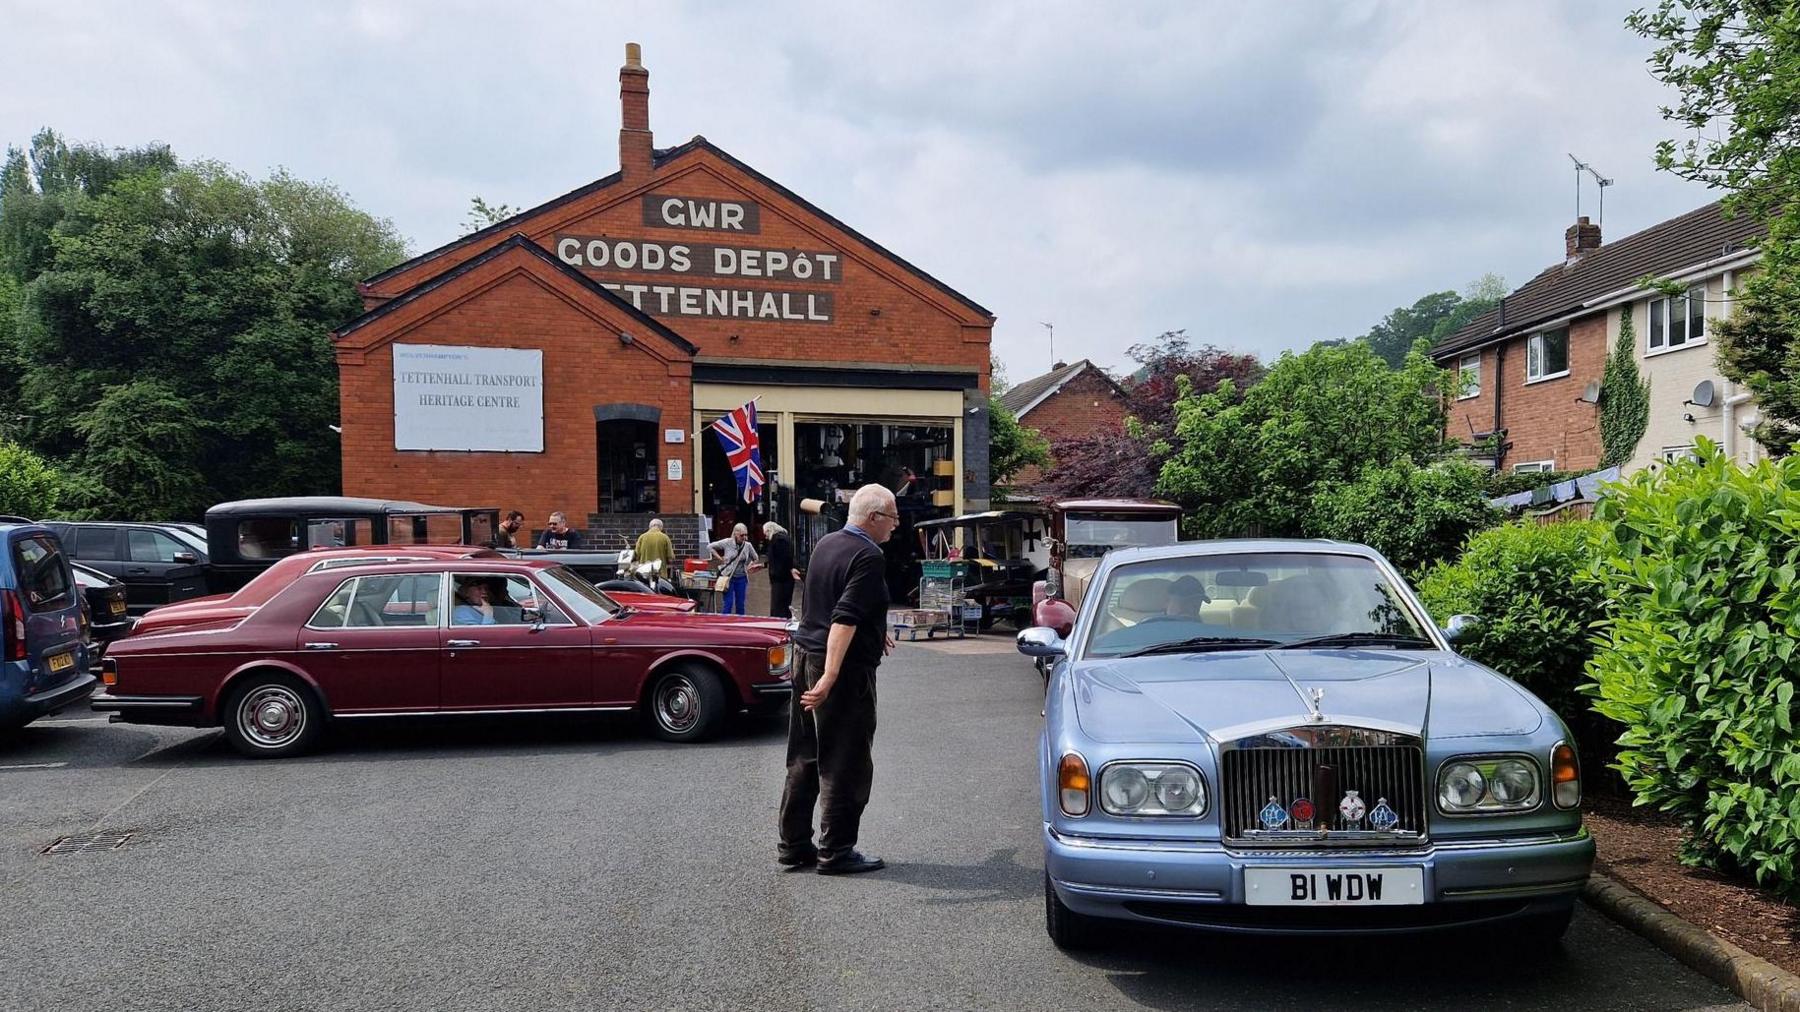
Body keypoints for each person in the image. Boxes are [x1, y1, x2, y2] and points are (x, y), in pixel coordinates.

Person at [777, 484, 898, 876]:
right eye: (893, 518)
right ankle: (836, 850)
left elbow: (824, 603)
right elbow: (843, 617)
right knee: (846, 760)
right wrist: (830, 676)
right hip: (841, 671)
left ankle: (793, 846)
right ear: (874, 517)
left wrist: (875, 629)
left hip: (803, 655)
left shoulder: (827, 544)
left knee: (804, 755)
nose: (896, 526)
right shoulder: (869, 554)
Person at [708, 523, 763, 615]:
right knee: (728, 603)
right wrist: (720, 558)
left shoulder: (747, 545)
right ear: (735, 534)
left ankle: (740, 624)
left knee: (740, 604)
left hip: (741, 577)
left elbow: (755, 557)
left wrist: (750, 566)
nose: (744, 537)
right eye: (742, 535)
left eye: (746, 535)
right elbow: (710, 546)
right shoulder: (727, 542)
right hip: (728, 577)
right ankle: (725, 624)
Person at [763, 520, 799, 619]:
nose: (765, 536)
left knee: (779, 607)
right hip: (782, 578)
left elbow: (785, 558)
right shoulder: (780, 539)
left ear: (769, 530)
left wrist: (790, 568)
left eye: (765, 533)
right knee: (781, 606)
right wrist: (764, 565)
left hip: (781, 579)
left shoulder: (779, 540)